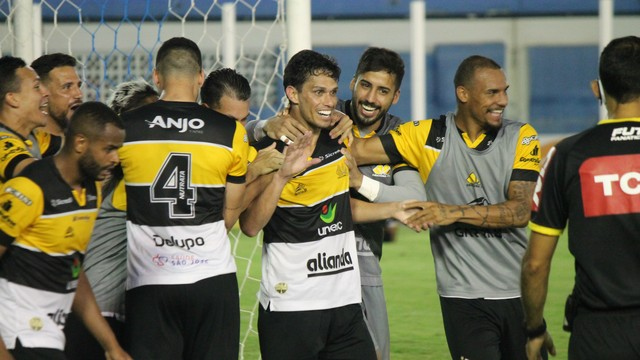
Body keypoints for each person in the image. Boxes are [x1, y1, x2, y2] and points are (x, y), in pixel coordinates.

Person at [351, 55, 542, 360]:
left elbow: (520, 212)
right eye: (493, 93)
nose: (503, 100)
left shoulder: (521, 135)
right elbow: (356, 151)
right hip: (461, 298)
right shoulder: (425, 136)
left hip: (518, 293)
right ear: (463, 94)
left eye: (504, 91)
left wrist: (450, 212)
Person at [245, 47, 426, 360]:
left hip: (345, 301)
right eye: (319, 92)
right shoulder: (272, 148)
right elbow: (248, 225)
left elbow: (341, 209)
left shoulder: (342, 140)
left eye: (332, 93)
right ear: (293, 93)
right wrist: (279, 174)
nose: (329, 102)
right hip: (292, 305)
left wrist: (393, 209)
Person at [118, 37, 248, 359]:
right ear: (201, 77)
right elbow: (228, 219)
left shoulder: (125, 130)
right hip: (212, 280)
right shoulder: (232, 133)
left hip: (149, 279)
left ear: (157, 77)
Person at [521, 35, 640, 360]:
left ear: (597, 89)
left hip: (598, 334)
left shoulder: (568, 156)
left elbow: (535, 264)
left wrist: (534, 329)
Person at [0, 101, 129, 360]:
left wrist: (112, 346)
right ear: (80, 143)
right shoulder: (29, 189)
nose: (116, 159)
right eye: (109, 149)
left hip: (51, 332)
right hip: (18, 331)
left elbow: (72, 267)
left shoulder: (92, 191)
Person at [64, 80, 159, 360]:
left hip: (97, 308)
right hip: (99, 314)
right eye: (150, 121)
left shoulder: (96, 175)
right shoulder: (129, 182)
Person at [201, 68, 283, 186]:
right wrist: (253, 171)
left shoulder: (256, 155)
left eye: (244, 119)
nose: (239, 129)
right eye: (231, 120)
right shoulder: (193, 153)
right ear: (205, 111)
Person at [0, 56, 61, 183]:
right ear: (13, 98)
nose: (46, 93)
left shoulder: (34, 137)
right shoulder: (2, 142)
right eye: (37, 86)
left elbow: (71, 146)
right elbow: (34, 173)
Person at [31, 53, 83, 137]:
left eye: (78, 86)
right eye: (67, 87)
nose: (79, 94)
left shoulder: (85, 143)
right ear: (42, 93)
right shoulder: (25, 146)